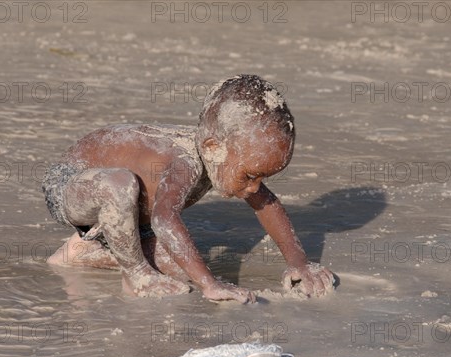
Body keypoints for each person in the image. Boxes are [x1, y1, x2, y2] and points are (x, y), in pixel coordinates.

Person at [42, 75, 335, 303]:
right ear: (212, 148)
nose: (254, 187)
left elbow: (267, 203)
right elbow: (164, 218)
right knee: (120, 185)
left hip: (126, 219)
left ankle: (83, 251)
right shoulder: (186, 162)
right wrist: (211, 285)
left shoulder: (223, 156)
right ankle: (136, 274)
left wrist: (298, 263)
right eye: (250, 175)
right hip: (72, 184)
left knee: (184, 268)